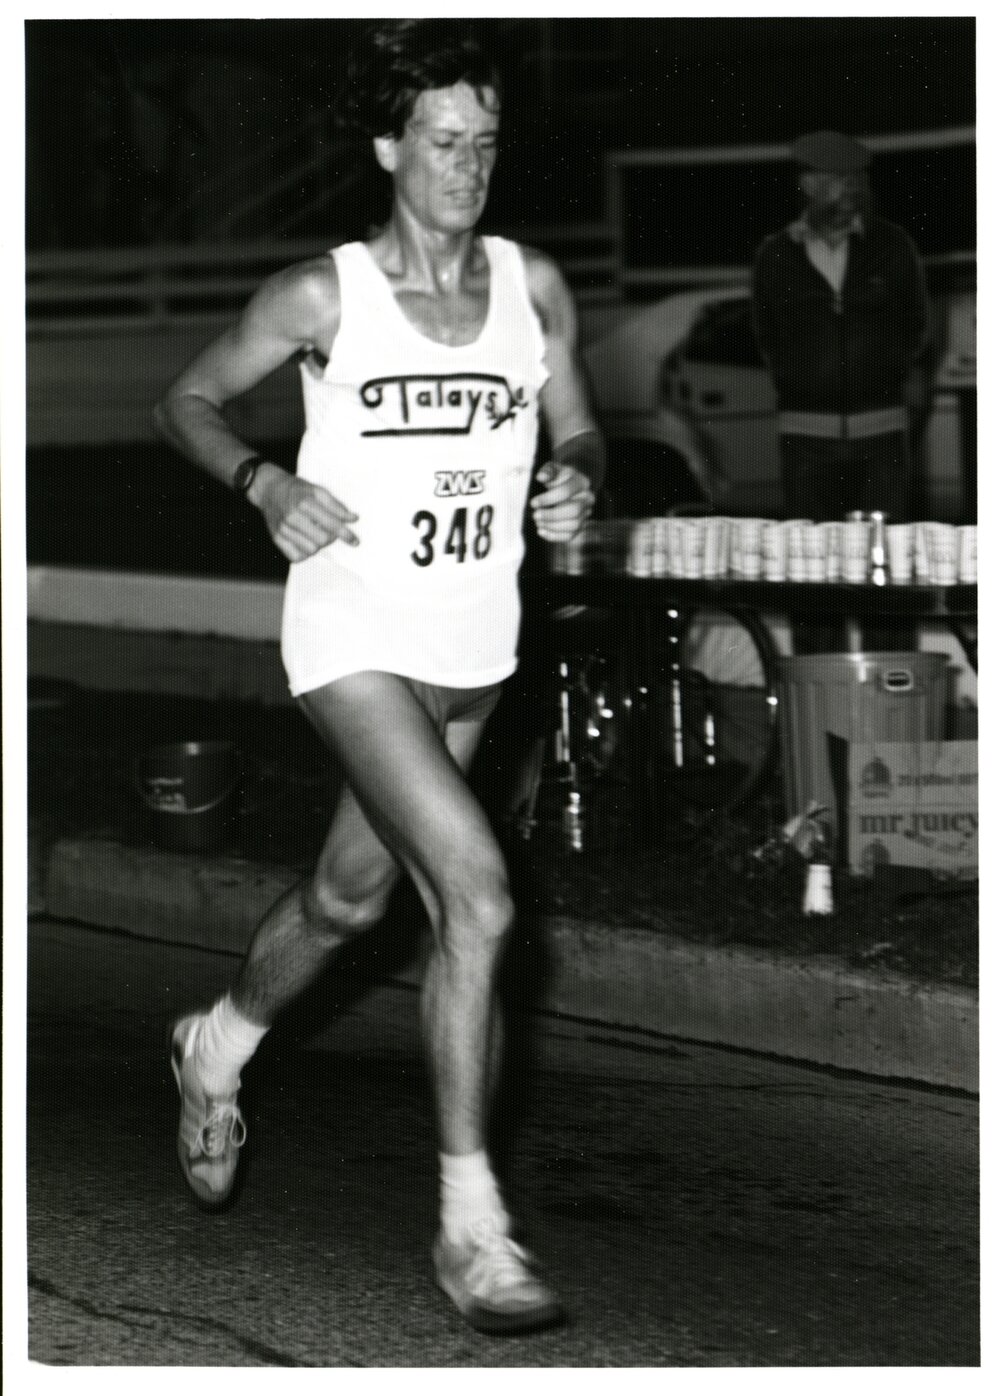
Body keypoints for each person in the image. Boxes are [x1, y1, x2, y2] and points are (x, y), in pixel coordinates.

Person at [153, 20, 603, 1336]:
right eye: (444, 141)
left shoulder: (533, 287)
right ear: (388, 148)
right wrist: (263, 480)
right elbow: (185, 402)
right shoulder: (323, 296)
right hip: (351, 633)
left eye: (486, 142)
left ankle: (216, 1044)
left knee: (349, 900)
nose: (469, 166)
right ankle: (472, 1229)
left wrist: (577, 479)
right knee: (476, 894)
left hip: (472, 646)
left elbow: (579, 425)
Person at [752, 130, 930, 526]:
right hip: (806, 434)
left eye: (856, 179)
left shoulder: (893, 245)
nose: (851, 189)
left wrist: (892, 372)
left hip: (881, 429)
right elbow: (766, 333)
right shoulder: (776, 255)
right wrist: (795, 377)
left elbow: (916, 323)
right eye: (838, 179)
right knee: (811, 548)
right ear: (809, 185)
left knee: (883, 546)